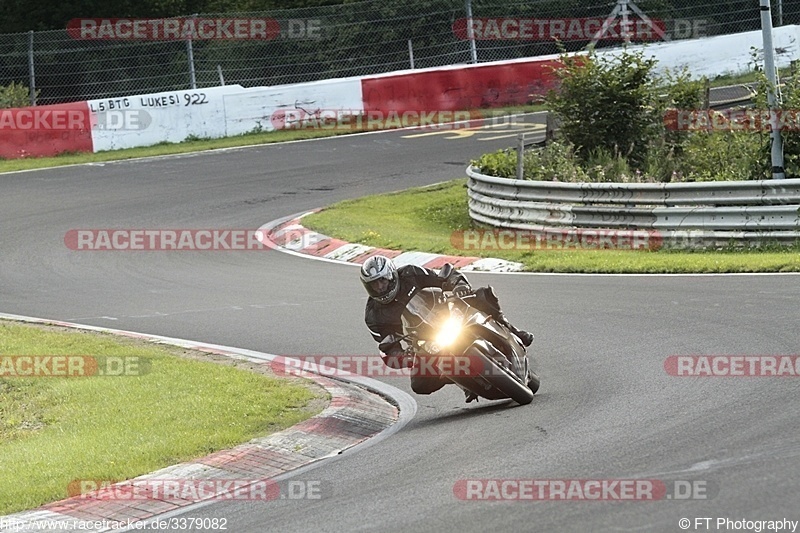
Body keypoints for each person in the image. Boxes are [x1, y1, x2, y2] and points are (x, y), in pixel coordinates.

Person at [360, 254, 533, 402]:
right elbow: (388, 347)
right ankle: (464, 382)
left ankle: (513, 329)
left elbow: (444, 276)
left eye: (382, 281)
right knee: (420, 385)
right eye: (374, 285)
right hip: (424, 342)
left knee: (483, 295)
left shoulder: (410, 273)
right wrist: (404, 357)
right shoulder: (374, 315)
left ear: (391, 274)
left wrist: (459, 285)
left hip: (446, 313)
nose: (380, 287)